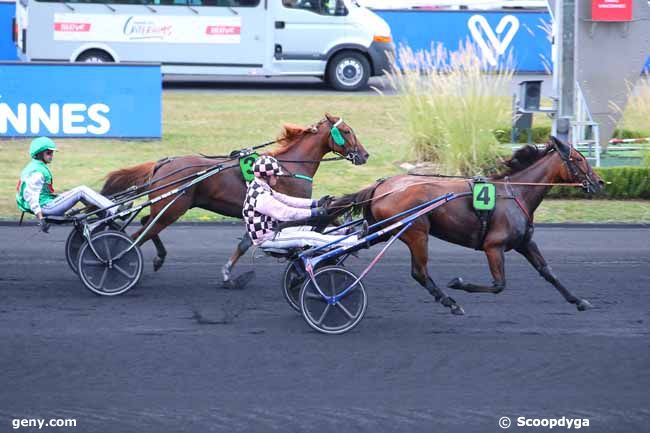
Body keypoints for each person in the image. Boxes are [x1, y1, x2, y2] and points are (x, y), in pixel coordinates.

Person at [242, 155, 361, 250]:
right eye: (275, 175)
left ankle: (344, 231)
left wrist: (315, 203)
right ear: (267, 176)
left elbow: (286, 200)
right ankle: (354, 241)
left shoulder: (259, 186)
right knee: (310, 237)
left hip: (273, 231)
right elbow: (286, 213)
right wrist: (313, 213)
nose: (278, 178)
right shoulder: (261, 196)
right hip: (267, 238)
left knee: (309, 229)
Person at [16, 137, 118, 232]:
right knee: (81, 190)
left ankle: (104, 213)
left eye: (52, 153)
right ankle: (115, 209)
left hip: (47, 203)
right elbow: (30, 196)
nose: (51, 155)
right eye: (48, 153)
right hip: (45, 207)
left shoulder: (36, 166)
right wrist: (40, 218)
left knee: (77, 193)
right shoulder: (36, 172)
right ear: (39, 154)